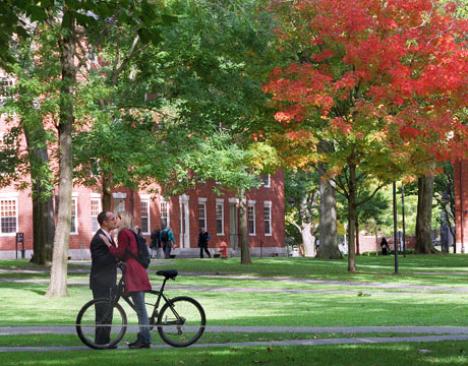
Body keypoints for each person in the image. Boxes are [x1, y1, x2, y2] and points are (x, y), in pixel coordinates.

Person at [100, 211, 152, 349]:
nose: (114, 220)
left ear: (122, 220)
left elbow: (121, 253)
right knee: (141, 309)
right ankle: (143, 337)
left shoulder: (123, 233)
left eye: (117, 218)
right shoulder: (131, 233)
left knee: (141, 310)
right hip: (138, 270)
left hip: (133, 272)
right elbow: (127, 252)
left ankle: (145, 340)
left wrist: (108, 244)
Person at [89, 211, 118, 348]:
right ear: (104, 222)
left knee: (107, 312)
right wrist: (114, 252)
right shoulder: (99, 239)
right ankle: (102, 342)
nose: (115, 220)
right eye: (112, 219)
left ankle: (104, 340)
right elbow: (102, 260)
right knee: (102, 313)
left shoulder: (107, 236)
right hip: (101, 282)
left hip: (108, 280)